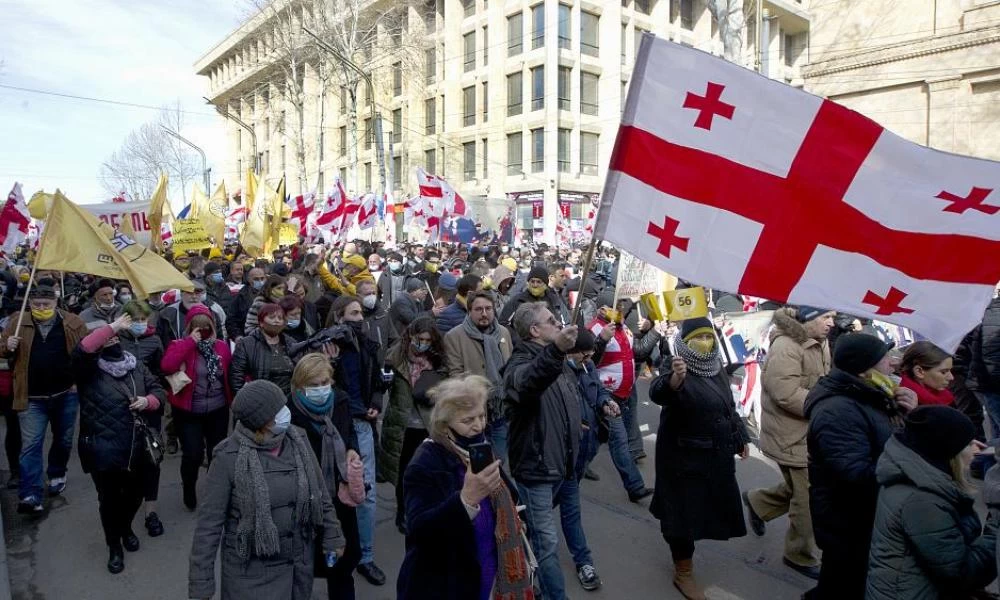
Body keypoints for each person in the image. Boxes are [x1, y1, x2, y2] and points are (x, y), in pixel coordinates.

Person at [188, 380, 345, 600]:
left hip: (297, 570)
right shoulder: (227, 458)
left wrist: (333, 536)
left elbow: (320, 493)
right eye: (278, 409)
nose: (285, 412)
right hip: (251, 578)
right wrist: (201, 586)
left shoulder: (297, 438)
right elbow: (208, 527)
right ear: (261, 420)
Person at [397, 374, 535, 600]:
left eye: (481, 416)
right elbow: (420, 533)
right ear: (444, 425)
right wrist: (466, 501)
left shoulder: (479, 448)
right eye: (467, 420)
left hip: (492, 580)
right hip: (448, 586)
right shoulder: (425, 464)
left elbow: (508, 496)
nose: (478, 425)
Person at [802, 333, 918, 599]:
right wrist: (910, 456)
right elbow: (857, 474)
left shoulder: (871, 394)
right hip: (848, 520)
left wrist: (907, 415)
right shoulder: (838, 410)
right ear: (865, 370)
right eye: (884, 359)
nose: (892, 365)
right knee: (845, 585)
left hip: (863, 517)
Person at [647, 317, 750, 600]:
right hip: (683, 460)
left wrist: (740, 435)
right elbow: (658, 392)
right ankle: (683, 572)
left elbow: (729, 406)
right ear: (685, 341)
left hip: (713, 455)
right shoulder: (676, 363)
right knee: (682, 515)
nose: (705, 343)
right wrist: (675, 381)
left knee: (707, 509)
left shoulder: (715, 365)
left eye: (709, 337)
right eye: (698, 338)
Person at [868, 405, 997, 599]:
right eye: (968, 443)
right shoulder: (922, 501)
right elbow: (961, 572)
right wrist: (996, 526)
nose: (977, 448)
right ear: (949, 453)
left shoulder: (919, 478)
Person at [743, 306, 834, 580]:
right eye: (825, 317)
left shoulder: (820, 342)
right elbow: (785, 393)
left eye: (833, 317)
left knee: (802, 488)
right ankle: (799, 554)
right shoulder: (786, 346)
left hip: (808, 430)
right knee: (807, 498)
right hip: (791, 433)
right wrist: (826, 406)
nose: (831, 323)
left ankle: (758, 501)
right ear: (808, 318)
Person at [73, 313, 166, 574]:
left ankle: (125, 526)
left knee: (137, 492)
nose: (111, 338)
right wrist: (110, 325)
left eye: (114, 335)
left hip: (137, 444)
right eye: (105, 335)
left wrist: (149, 401)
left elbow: (158, 390)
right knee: (110, 500)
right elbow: (83, 351)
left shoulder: (134, 364)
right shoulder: (87, 369)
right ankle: (114, 546)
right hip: (103, 447)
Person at [503, 302, 581, 600]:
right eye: (551, 321)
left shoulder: (555, 359)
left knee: (543, 534)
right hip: (538, 470)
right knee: (545, 542)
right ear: (535, 330)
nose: (558, 323)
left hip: (563, 466)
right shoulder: (522, 362)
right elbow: (529, 381)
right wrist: (557, 351)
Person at [1, 283, 88, 514]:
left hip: (65, 394)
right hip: (30, 397)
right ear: (29, 304)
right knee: (30, 446)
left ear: (55, 304)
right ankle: (30, 494)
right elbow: (2, 349)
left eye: (45, 304)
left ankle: (57, 472)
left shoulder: (73, 322)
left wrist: (79, 383)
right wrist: (6, 345)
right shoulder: (19, 322)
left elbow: (86, 352)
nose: (40, 307)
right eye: (36, 304)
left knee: (63, 440)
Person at [289, 354, 366, 600]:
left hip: (338, 496)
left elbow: (349, 432)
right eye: (313, 385)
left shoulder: (340, 401)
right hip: (303, 500)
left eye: (325, 382)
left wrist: (352, 449)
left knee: (342, 564)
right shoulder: (288, 412)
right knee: (304, 564)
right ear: (300, 386)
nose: (321, 389)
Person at [327, 295, 390, 586]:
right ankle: (333, 549)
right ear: (339, 317)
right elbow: (323, 387)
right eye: (352, 313)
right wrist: (331, 360)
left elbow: (377, 379)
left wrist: (375, 401)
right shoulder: (327, 346)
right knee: (334, 493)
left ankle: (364, 556)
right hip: (337, 425)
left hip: (363, 425)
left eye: (360, 313)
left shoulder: (367, 345)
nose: (359, 318)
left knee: (365, 494)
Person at [379, 316, 448, 533]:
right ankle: (404, 512)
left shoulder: (438, 360)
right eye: (420, 339)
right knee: (403, 472)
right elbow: (381, 387)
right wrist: (382, 381)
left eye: (428, 340)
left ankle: (425, 510)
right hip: (402, 425)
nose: (423, 344)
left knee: (427, 471)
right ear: (411, 336)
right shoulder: (395, 356)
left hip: (428, 425)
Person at [161, 304, 233, 511]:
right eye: (197, 327)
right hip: (188, 410)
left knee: (217, 454)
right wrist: (189, 343)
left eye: (206, 326)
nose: (202, 331)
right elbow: (167, 366)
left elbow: (230, 372)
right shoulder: (179, 344)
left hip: (218, 409)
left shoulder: (221, 346)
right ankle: (189, 488)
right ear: (189, 327)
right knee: (193, 454)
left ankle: (215, 492)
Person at [443, 290, 513, 463]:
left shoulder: (503, 333)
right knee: (476, 464)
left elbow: (511, 367)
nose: (484, 314)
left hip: (500, 412)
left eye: (488, 309)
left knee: (499, 462)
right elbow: (455, 375)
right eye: (478, 309)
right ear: (469, 311)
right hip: (473, 415)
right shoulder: (454, 336)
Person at [117, 300, 166, 536]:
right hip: (120, 410)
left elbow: (161, 373)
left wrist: (152, 398)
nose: (139, 324)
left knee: (151, 459)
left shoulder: (154, 341)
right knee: (127, 462)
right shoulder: (115, 340)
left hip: (149, 409)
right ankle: (124, 516)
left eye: (143, 320)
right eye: (134, 320)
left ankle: (151, 512)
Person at [230, 302, 296, 397]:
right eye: (272, 317)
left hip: (290, 398)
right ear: (261, 322)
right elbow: (236, 376)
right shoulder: (246, 344)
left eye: (280, 318)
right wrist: (247, 400)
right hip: (261, 399)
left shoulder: (290, 342)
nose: (276, 321)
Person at [899, 340, 955, 406]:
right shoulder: (903, 401)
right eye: (943, 372)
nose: (951, 377)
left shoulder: (943, 395)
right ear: (919, 372)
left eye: (950, 370)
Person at [226, 267, 267, 340]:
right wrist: (237, 336)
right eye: (256, 279)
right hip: (246, 337)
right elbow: (231, 320)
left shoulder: (270, 295)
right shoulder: (240, 296)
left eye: (262, 278)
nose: (260, 281)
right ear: (249, 279)